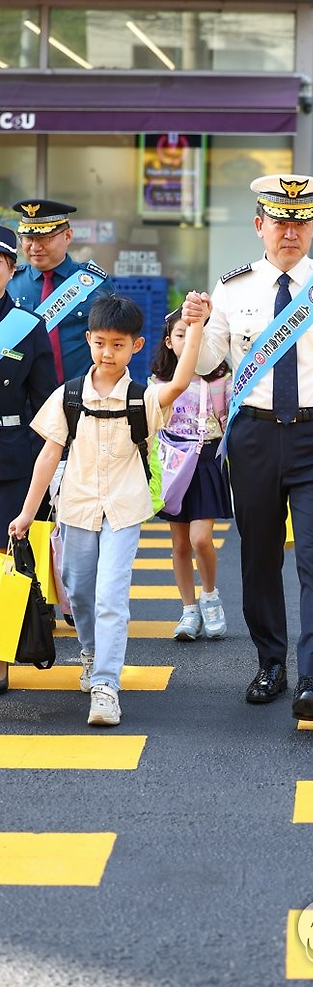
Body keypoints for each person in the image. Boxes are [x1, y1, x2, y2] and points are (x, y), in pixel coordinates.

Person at [182, 173, 313, 722]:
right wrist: (194, 327)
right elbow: (204, 365)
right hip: (255, 437)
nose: (290, 231)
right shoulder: (232, 289)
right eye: (280, 221)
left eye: (301, 221)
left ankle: (312, 675)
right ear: (259, 225)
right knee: (260, 557)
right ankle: (271, 662)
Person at [8, 294, 205, 727]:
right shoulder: (69, 395)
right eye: (99, 343)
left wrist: (195, 328)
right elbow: (48, 455)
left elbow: (180, 381)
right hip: (76, 508)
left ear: (136, 346)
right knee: (77, 591)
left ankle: (105, 686)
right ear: (89, 341)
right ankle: (91, 651)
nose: (107, 353)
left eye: (118, 344)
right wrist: (26, 513)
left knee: (111, 597)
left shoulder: (142, 398)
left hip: (123, 510)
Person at [150, 307, 233, 642]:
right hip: (173, 463)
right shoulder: (158, 383)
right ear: (169, 342)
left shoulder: (219, 380)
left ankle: (210, 596)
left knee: (201, 538)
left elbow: (229, 423)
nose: (189, 340)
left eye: (196, 333)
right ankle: (188, 610)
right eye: (181, 334)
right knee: (180, 543)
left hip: (207, 460)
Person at [0, 226, 58, 695]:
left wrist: (50, 463)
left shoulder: (26, 325)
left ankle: (0, 660)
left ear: (10, 269)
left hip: (10, 458)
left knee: (4, 561)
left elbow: (44, 402)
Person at [8, 199, 116, 384]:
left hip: (80, 397)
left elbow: (113, 341)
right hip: (24, 400)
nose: (35, 247)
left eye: (44, 238)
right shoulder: (10, 282)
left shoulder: (94, 283)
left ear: (68, 236)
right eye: (28, 238)